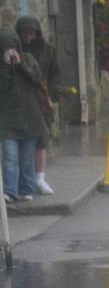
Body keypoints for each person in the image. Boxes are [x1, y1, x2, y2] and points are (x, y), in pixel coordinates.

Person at [0, 32, 47, 203]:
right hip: (7, 120)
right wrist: (6, 66)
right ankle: (10, 191)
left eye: (12, 48)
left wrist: (19, 65)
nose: (10, 51)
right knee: (10, 158)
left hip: (30, 118)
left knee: (26, 160)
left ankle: (27, 189)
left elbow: (36, 78)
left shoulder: (28, 58)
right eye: (5, 49)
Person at [15, 16, 60, 195]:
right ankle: (24, 179)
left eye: (32, 32)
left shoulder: (47, 50)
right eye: (25, 32)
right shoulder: (15, 50)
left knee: (42, 139)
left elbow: (56, 74)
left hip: (42, 99)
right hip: (21, 101)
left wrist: (53, 97)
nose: (28, 36)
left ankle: (40, 178)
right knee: (22, 140)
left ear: (37, 32)